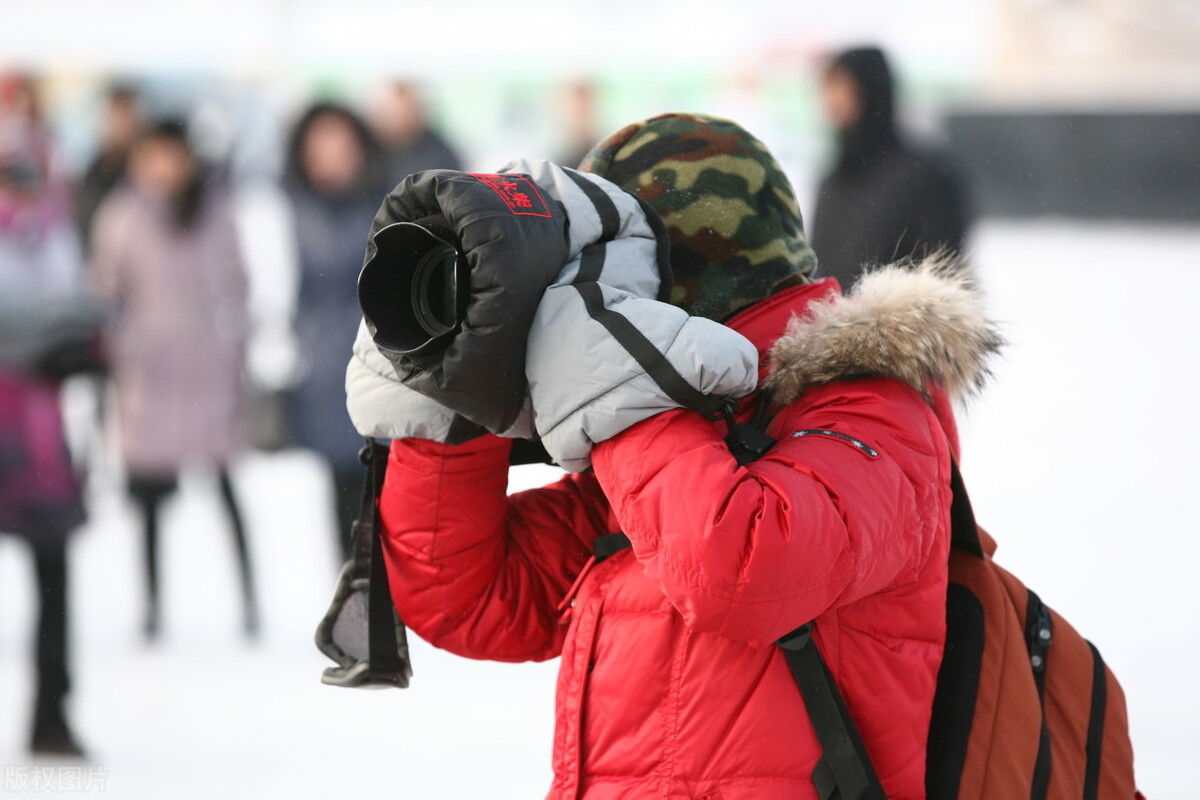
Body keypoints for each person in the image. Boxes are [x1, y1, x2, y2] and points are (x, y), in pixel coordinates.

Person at [362, 114, 1001, 798]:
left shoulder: (873, 412)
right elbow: (470, 596)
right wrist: (460, 388)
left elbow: (742, 570)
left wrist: (614, 373)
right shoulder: (677, 434)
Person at [90, 119, 257, 641]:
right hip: (149, 374)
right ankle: (151, 606)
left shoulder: (216, 210)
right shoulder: (121, 215)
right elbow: (104, 293)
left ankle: (251, 600)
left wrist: (234, 344)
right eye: (152, 156)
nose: (162, 168)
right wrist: (123, 349)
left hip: (207, 367)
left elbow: (241, 285)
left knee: (227, 487)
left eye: (171, 156)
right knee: (148, 500)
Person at [0, 71, 89, 756]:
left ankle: (51, 713)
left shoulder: (53, 225)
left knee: (54, 572)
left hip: (40, 430)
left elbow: (76, 301)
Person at [283, 103, 383, 558]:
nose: (332, 157)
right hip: (324, 374)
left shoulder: (385, 204)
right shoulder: (291, 212)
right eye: (320, 147)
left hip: (380, 369)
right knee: (341, 505)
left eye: (341, 145)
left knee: (387, 508)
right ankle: (350, 602)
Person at [810, 46, 970, 288]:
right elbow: (820, 269)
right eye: (828, 89)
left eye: (841, 87)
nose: (831, 102)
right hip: (834, 323)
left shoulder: (925, 177)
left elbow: (944, 278)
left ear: (869, 92)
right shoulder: (833, 182)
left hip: (906, 323)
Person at [75, 82, 143, 256]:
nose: (121, 124)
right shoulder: (95, 171)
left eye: (126, 115)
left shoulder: (147, 169)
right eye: (115, 116)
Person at [370, 82, 460, 188]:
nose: (395, 120)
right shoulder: (370, 149)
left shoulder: (438, 156)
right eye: (387, 113)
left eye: (402, 114)